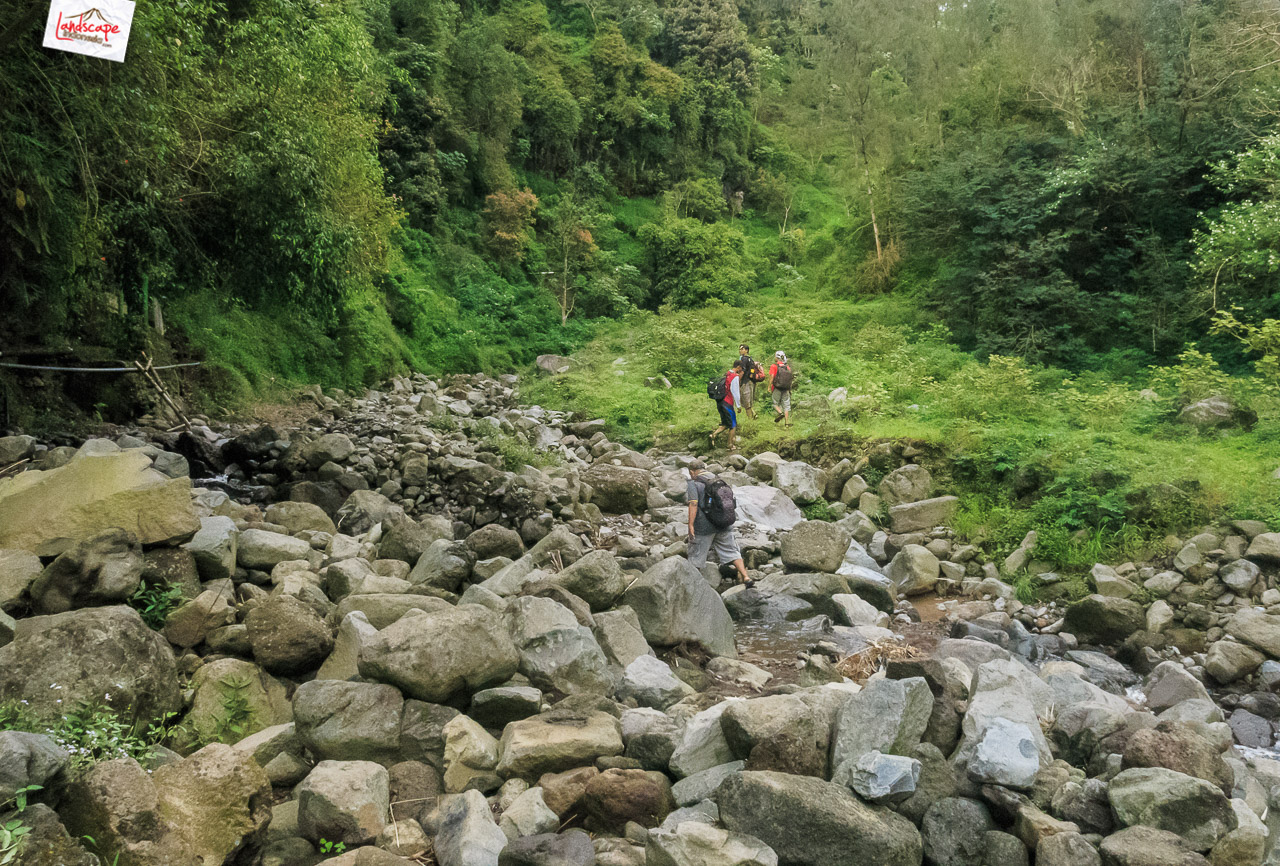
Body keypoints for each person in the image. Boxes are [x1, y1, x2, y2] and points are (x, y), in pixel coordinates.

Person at [686, 459, 752, 585]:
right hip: (723, 523)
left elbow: (693, 504)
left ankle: (693, 585)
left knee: (696, 555)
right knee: (732, 552)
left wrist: (690, 525)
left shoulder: (693, 484)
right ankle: (746, 577)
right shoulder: (719, 480)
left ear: (692, 472)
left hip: (704, 527)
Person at [709, 363, 742, 451]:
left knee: (725, 424)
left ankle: (713, 435)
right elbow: (735, 392)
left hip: (720, 402)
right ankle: (730, 445)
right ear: (738, 367)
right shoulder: (734, 377)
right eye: (741, 368)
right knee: (733, 425)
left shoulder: (726, 374)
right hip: (727, 403)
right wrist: (738, 406)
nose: (741, 370)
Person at [769, 350, 793, 427]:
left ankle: (780, 413)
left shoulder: (774, 366)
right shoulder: (787, 367)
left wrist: (769, 386)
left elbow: (772, 377)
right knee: (786, 406)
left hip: (777, 388)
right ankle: (786, 424)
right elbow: (790, 379)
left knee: (775, 403)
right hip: (786, 388)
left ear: (777, 357)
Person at [736, 344, 760, 420]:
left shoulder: (743, 359)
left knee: (746, 402)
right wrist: (751, 374)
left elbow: (742, 371)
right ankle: (753, 414)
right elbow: (752, 368)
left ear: (746, 350)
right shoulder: (750, 359)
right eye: (739, 349)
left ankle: (750, 420)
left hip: (745, 382)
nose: (740, 350)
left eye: (742, 349)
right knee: (749, 400)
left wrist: (738, 380)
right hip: (751, 382)